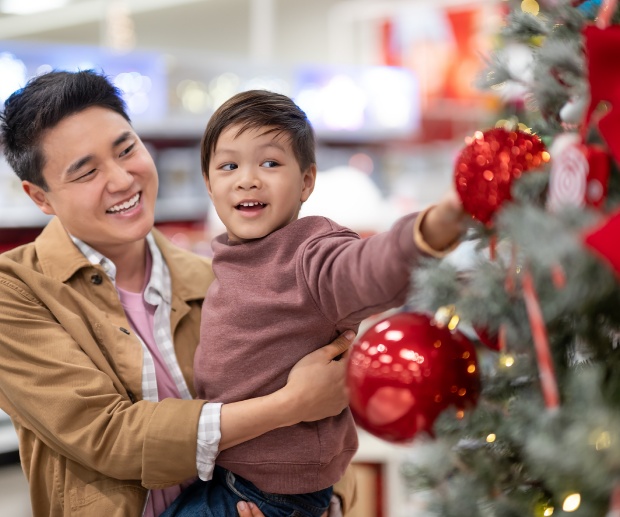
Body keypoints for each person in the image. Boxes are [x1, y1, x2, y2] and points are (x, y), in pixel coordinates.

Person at [0, 70, 359, 517]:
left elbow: (316, 423)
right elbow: (108, 436)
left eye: (126, 149)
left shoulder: (214, 276)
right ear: (41, 197)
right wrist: (289, 405)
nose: (121, 180)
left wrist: (323, 506)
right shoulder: (16, 293)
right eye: (87, 172)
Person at [162, 90, 466, 516]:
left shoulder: (310, 252)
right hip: (233, 475)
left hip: (270, 496)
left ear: (306, 181)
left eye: (270, 162)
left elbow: (365, 268)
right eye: (229, 165)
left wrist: (427, 232)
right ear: (209, 184)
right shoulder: (230, 257)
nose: (248, 178)